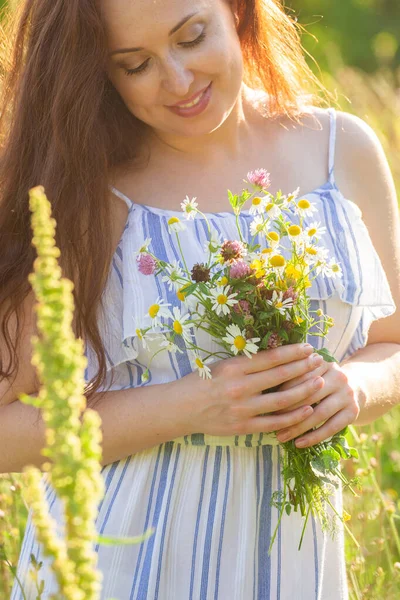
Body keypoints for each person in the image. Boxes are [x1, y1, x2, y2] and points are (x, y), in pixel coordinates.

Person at [1, 0, 399, 598]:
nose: (178, 82)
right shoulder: (83, 188)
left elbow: (392, 344)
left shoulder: (343, 152)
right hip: (119, 567)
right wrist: (192, 405)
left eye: (191, 37)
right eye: (135, 65)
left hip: (291, 566)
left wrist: (352, 390)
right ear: (102, 74)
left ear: (236, 12)